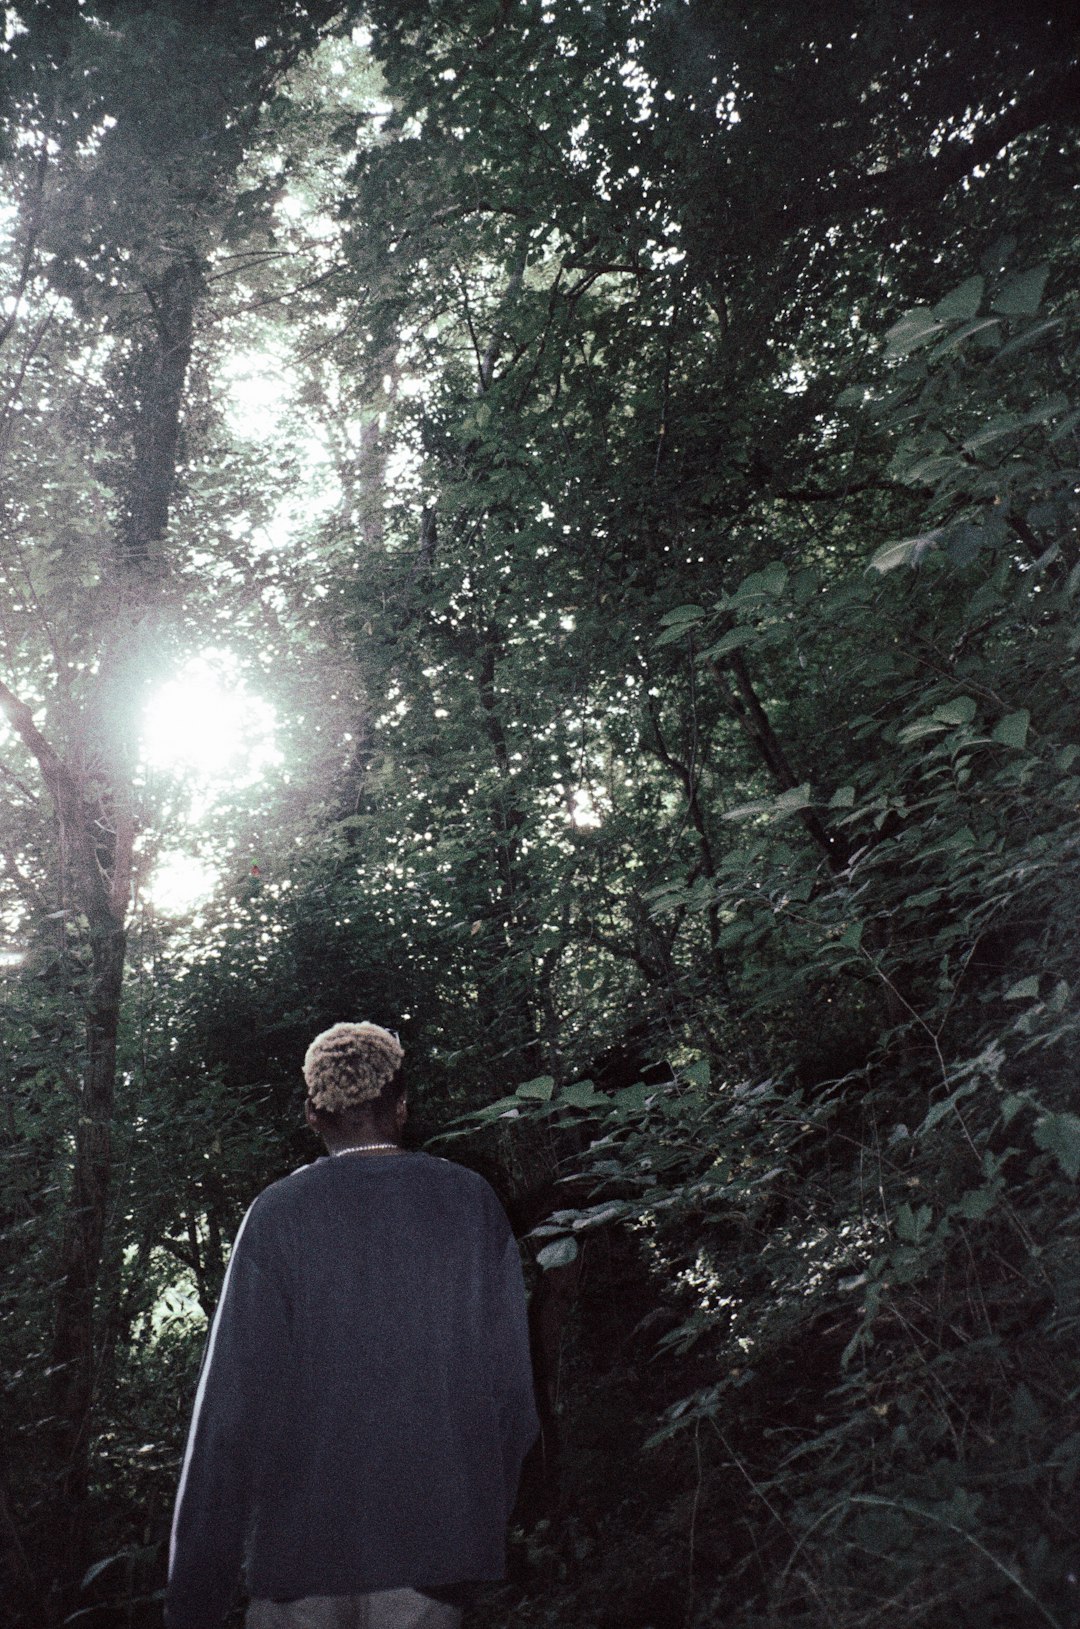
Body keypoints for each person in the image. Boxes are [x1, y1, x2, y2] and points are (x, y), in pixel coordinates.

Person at [165, 1021, 539, 1629]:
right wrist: (472, 1531)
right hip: (432, 1556)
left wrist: (193, 1596)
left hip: (298, 1561)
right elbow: (511, 1399)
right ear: (400, 1107)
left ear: (314, 1115)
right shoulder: (470, 1202)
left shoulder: (277, 1215)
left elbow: (229, 1414)